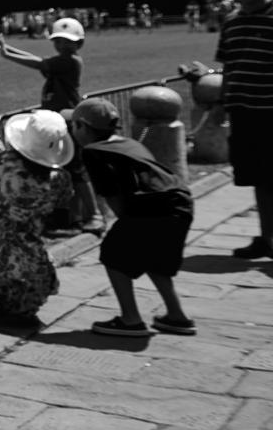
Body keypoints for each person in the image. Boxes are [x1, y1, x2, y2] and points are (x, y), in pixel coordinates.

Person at [69, 98, 196, 337]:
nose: (72, 131)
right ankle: (177, 316)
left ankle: (131, 320)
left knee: (113, 254)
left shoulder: (93, 152)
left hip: (152, 208)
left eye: (74, 125)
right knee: (153, 258)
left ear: (83, 127)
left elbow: (114, 200)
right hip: (180, 202)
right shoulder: (128, 142)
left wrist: (125, 227)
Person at [0, 110, 75, 329]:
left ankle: (0, 302)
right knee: (29, 273)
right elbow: (62, 207)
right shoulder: (59, 180)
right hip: (26, 266)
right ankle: (15, 309)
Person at [214, 0, 273, 258]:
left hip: (270, 110)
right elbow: (228, 66)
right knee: (260, 178)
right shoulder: (232, 21)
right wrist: (222, 102)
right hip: (244, 112)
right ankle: (267, 238)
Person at [0, 17, 85, 112]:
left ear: (79, 43)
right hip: (58, 110)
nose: (62, 45)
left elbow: (39, 63)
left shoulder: (70, 60)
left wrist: (8, 55)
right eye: (58, 41)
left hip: (65, 111)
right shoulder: (64, 59)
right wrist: (6, 47)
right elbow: (36, 59)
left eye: (68, 42)